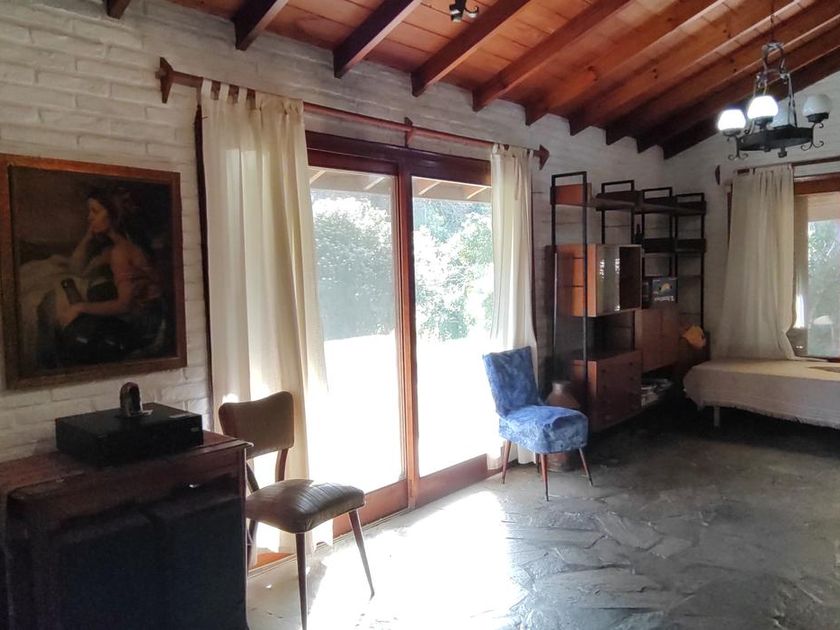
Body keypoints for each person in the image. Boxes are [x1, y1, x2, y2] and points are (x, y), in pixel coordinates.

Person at [54, 187, 165, 363]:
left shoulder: (121, 252)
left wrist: (80, 307)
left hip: (143, 327)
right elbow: (76, 270)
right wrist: (87, 237)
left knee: (74, 332)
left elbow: (124, 306)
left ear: (113, 215)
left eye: (95, 211)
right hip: (140, 318)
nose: (89, 218)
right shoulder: (112, 249)